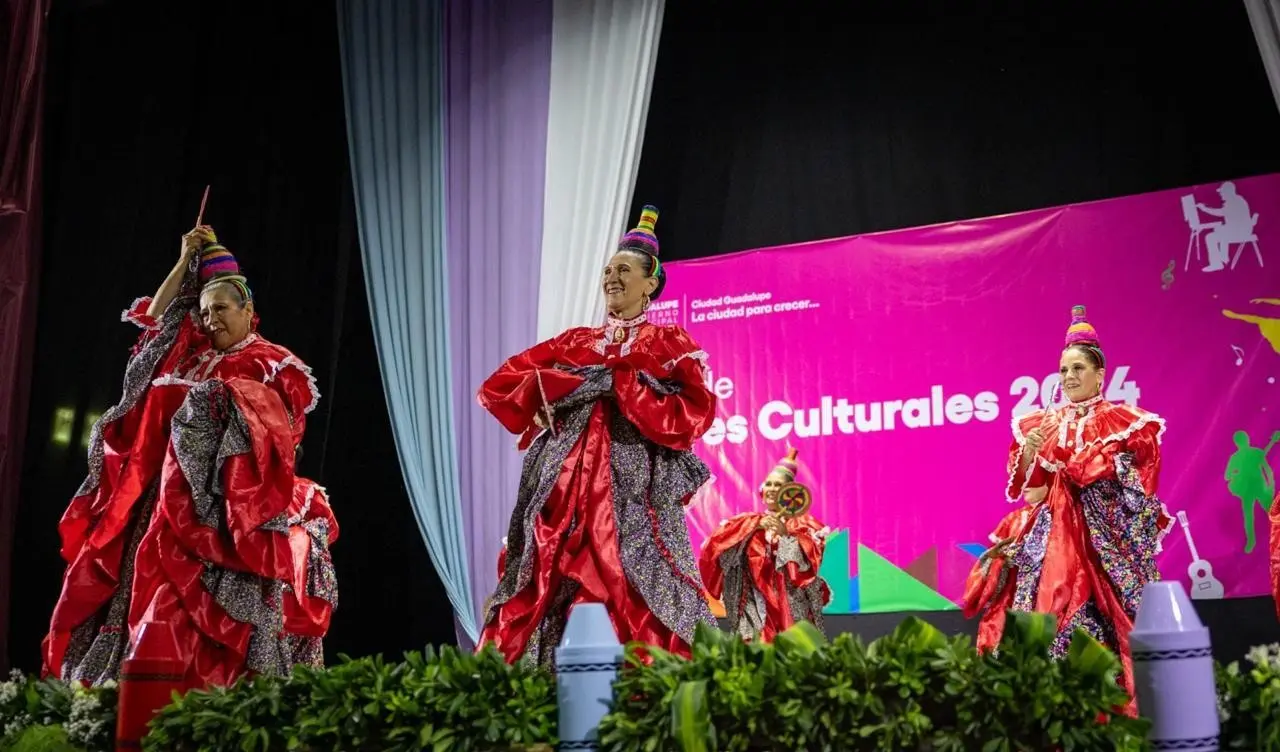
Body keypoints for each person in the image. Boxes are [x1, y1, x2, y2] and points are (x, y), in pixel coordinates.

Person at [43, 226, 339, 689]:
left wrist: (222, 405)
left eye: (220, 308)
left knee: (195, 608)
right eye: (203, 312)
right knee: (145, 590)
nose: (210, 320)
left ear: (249, 311)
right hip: (158, 500)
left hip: (223, 511)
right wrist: (184, 262)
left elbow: (284, 437)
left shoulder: (272, 362)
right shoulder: (189, 354)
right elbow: (155, 324)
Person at [477, 206, 717, 667]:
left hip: (631, 492)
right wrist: (546, 392)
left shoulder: (668, 344)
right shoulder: (575, 343)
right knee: (549, 572)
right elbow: (500, 384)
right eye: (608, 270)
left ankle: (644, 689)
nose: (612, 277)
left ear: (650, 284)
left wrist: (622, 386)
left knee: (631, 577)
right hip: (564, 491)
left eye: (624, 270)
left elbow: (692, 413)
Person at [999, 304, 1172, 712]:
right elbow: (1031, 486)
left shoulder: (1128, 423)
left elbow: (1136, 484)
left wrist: (1077, 459)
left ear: (1100, 374)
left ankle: (1127, 710)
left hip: (1107, 536)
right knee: (1045, 605)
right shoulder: (1044, 422)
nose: (1070, 377)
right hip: (1057, 531)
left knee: (1120, 618)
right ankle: (1057, 714)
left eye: (1078, 368)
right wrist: (1031, 452)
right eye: (1063, 370)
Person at [698, 448, 831, 642]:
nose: (771, 488)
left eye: (778, 485)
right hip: (755, 604)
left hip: (789, 604)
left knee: (794, 649)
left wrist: (785, 535)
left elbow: (810, 559)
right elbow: (717, 548)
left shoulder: (804, 524)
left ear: (789, 492)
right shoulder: (747, 521)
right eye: (768, 484)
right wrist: (754, 527)